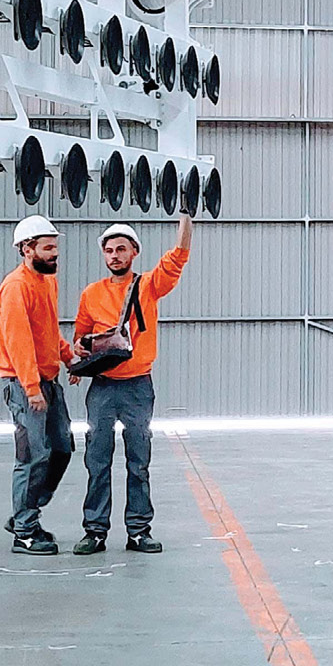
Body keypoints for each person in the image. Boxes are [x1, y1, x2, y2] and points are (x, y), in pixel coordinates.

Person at [69, 211, 192, 555]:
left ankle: (138, 531)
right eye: (109, 251)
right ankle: (95, 531)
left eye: (121, 249)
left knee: (138, 461)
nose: (115, 256)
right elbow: (80, 336)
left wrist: (186, 216)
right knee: (97, 461)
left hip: (138, 385)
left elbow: (178, 256)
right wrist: (79, 357)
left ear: (134, 252)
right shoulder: (91, 294)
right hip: (103, 388)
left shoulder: (148, 286)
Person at [0, 214, 75, 556]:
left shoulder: (47, 282)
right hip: (26, 385)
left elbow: (48, 330)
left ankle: (24, 512)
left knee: (61, 449)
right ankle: (25, 532)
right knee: (33, 456)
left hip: (49, 381)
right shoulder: (16, 288)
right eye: (48, 248)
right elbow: (18, 341)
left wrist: (70, 358)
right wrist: (31, 388)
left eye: (55, 247)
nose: (55, 253)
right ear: (28, 249)